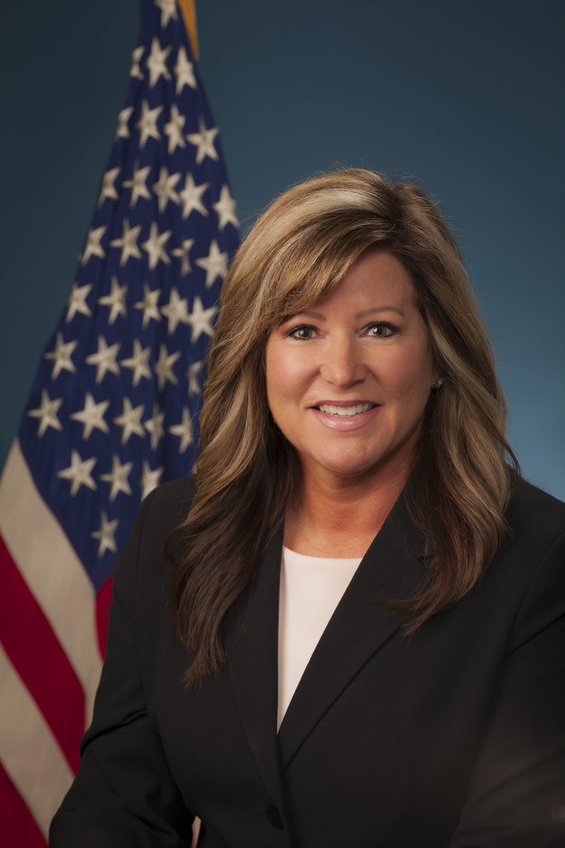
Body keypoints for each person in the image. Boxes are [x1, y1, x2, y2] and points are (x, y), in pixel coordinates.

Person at [50, 169, 565, 848]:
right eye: (302, 330)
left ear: (438, 353)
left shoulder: (536, 555)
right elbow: (118, 803)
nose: (341, 367)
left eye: (379, 328)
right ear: (256, 354)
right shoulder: (178, 532)